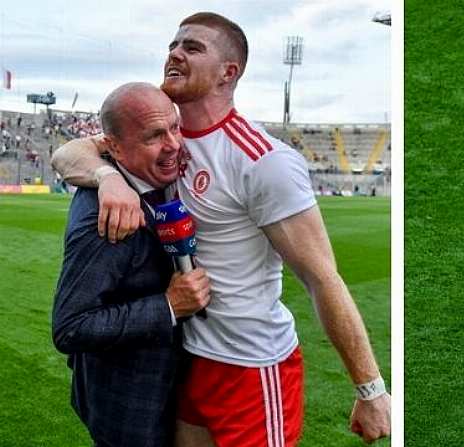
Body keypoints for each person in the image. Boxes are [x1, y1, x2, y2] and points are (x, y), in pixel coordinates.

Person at [52, 12, 390, 446]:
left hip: (250, 365)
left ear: (228, 72)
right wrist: (108, 178)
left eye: (192, 47)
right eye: (173, 45)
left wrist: (370, 389)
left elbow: (322, 277)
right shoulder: (166, 138)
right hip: (189, 361)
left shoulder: (263, 160)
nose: (175, 53)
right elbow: (71, 153)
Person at [51, 83, 211, 447]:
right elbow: (70, 327)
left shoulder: (149, 175)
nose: (173, 143)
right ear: (115, 147)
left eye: (174, 127)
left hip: (167, 391)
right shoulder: (105, 219)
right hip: (132, 409)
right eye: (155, 136)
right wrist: (168, 307)